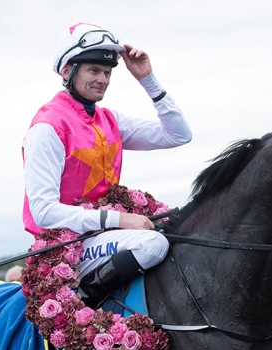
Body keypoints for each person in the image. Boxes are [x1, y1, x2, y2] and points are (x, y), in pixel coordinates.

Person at [22, 23, 192, 307]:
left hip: (106, 237)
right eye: (94, 70)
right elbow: (43, 213)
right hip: (66, 245)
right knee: (154, 244)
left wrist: (147, 79)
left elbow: (179, 134)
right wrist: (120, 219)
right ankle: (85, 299)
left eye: (108, 72)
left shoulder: (110, 120)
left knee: (182, 229)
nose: (104, 79)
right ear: (67, 72)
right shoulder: (47, 127)